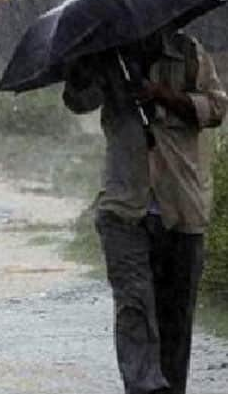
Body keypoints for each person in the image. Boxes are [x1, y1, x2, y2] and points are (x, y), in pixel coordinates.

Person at [63, 30, 227, 394]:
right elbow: (78, 101)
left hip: (182, 204)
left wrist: (162, 95)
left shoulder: (188, 52)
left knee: (176, 319)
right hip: (125, 207)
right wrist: (77, 69)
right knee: (134, 307)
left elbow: (216, 108)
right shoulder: (109, 54)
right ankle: (144, 388)